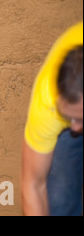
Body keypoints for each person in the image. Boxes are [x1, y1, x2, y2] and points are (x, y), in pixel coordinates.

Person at [22, 21, 83, 216]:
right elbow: (33, 184)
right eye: (69, 117)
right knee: (58, 199)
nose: (75, 128)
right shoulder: (47, 104)